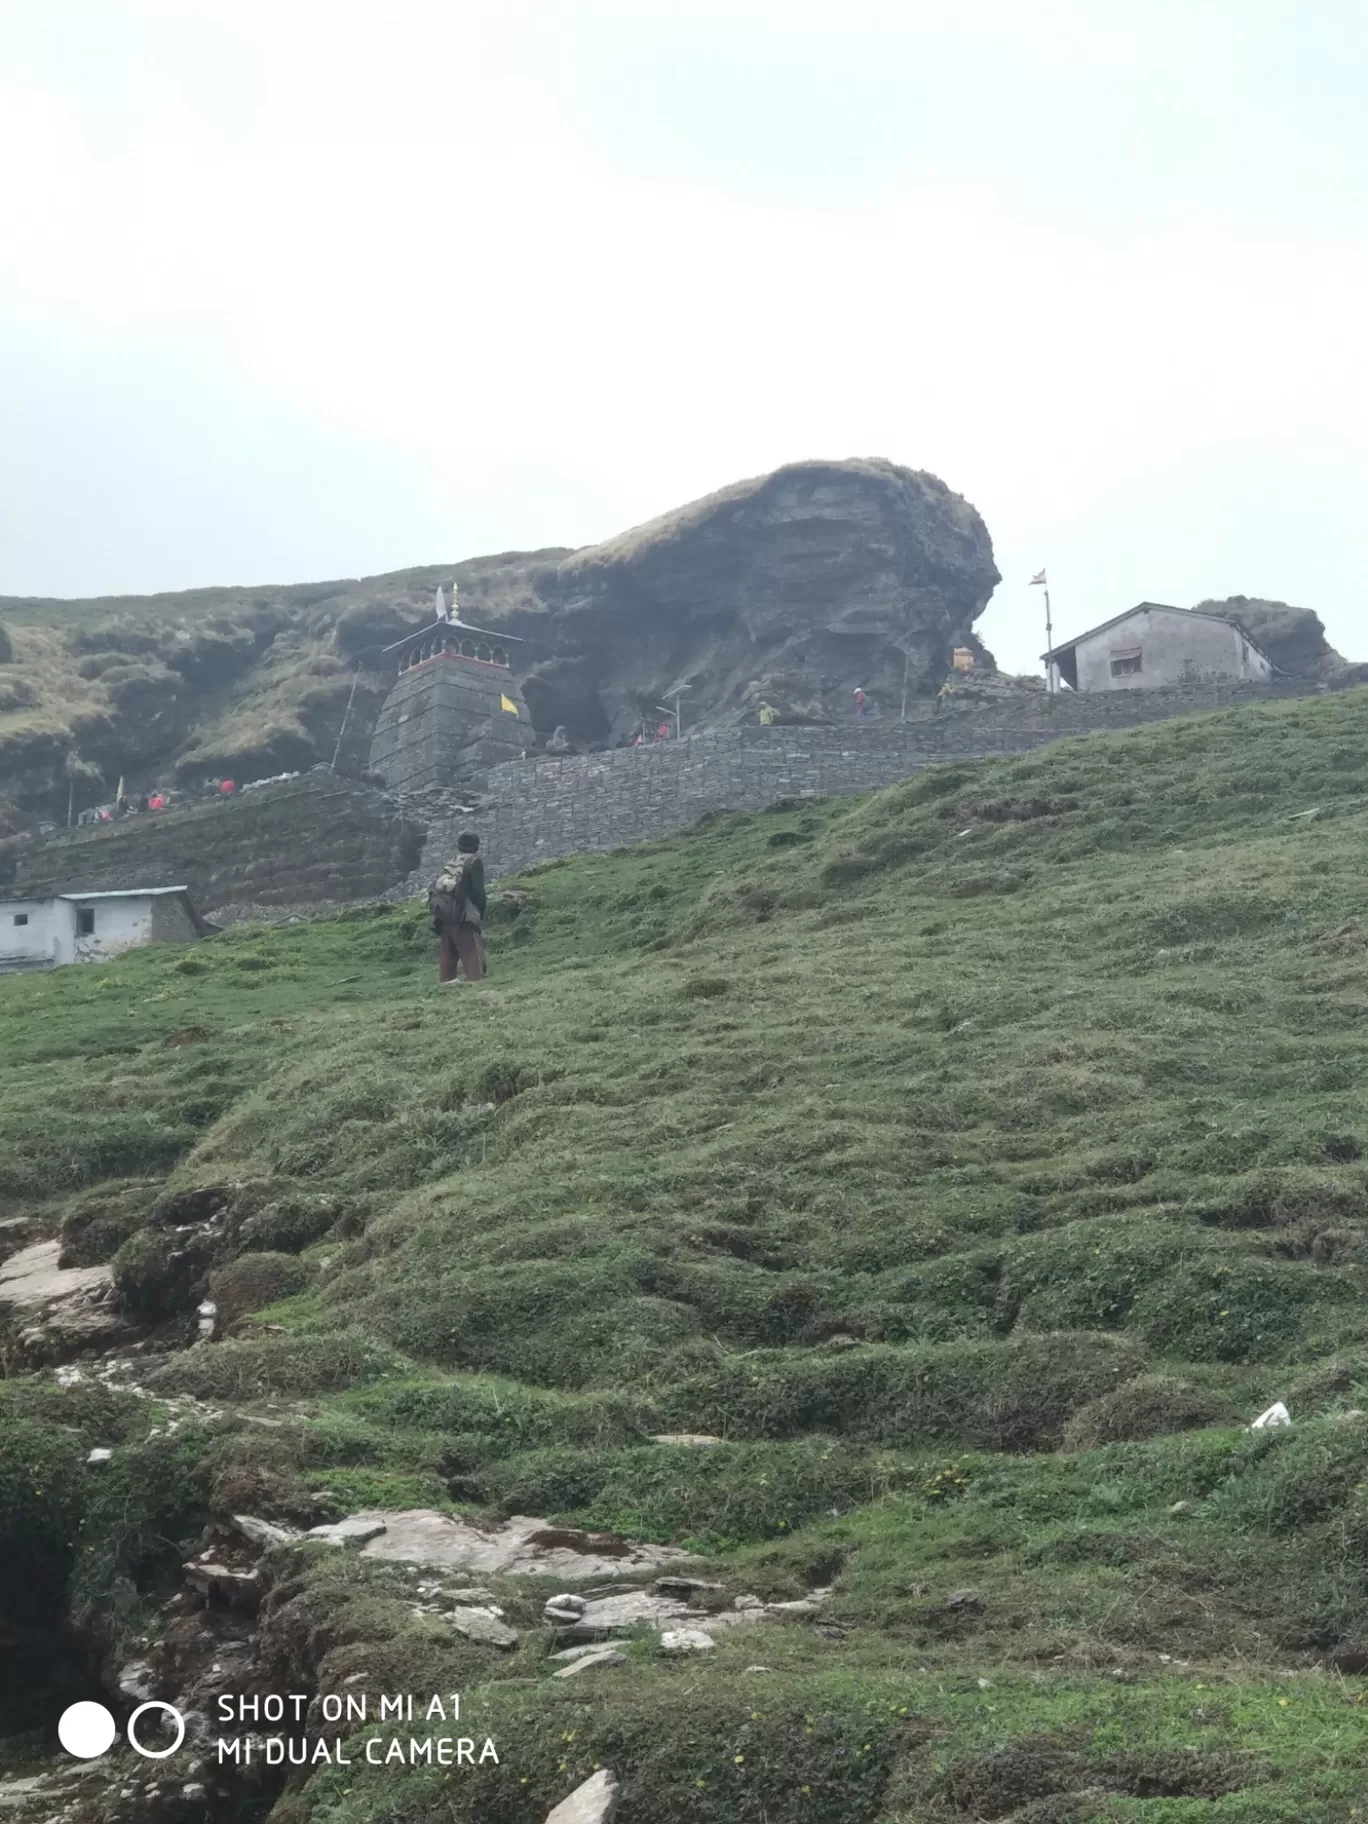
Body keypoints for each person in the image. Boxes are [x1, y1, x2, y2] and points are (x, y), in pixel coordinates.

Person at [428, 832, 487, 984]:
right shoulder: (474, 861)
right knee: (472, 955)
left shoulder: (451, 862)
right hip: (463, 914)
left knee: (448, 956)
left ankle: (446, 987)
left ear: (458, 846)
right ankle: (477, 988)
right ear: (476, 847)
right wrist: (479, 911)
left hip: (445, 915)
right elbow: (478, 892)